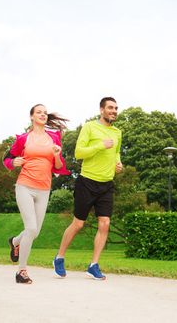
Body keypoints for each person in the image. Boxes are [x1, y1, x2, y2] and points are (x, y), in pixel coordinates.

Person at [53, 97, 123, 280]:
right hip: (87, 181)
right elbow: (79, 153)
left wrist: (118, 163)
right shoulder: (90, 127)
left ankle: (94, 265)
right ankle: (59, 257)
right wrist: (100, 145)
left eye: (115, 108)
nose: (114, 111)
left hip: (107, 184)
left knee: (105, 223)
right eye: (110, 108)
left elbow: (116, 153)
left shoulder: (117, 132)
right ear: (102, 110)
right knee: (78, 224)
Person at [3, 104, 69, 284]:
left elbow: (58, 166)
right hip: (25, 185)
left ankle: (15, 241)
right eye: (39, 112)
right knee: (31, 228)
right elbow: (7, 159)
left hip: (44, 189)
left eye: (45, 113)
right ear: (32, 117)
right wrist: (13, 162)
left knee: (35, 232)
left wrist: (56, 155)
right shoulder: (24, 139)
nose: (43, 114)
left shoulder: (54, 138)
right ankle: (21, 271)